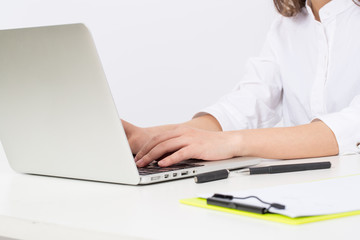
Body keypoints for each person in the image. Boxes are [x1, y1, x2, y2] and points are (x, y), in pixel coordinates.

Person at [123, 0, 360, 168]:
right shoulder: (288, 25)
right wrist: (151, 138)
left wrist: (231, 143)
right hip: (304, 193)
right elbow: (248, 104)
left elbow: (353, 125)